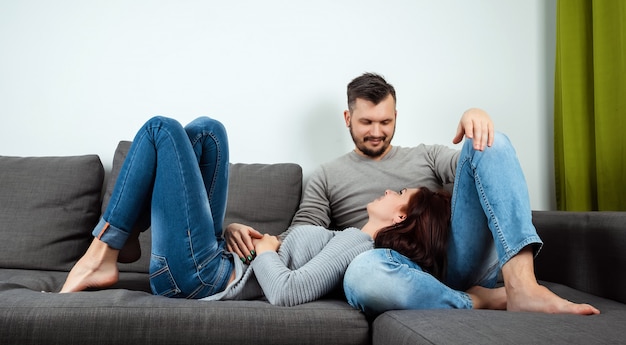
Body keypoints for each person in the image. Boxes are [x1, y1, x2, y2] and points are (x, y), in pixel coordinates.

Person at [226, 72, 600, 316]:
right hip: (390, 267)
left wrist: (475, 116)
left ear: (396, 117)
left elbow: (480, 171)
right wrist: (241, 236)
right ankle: (473, 300)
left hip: (452, 254)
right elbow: (300, 240)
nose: (377, 131)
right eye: (366, 122)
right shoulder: (327, 176)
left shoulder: (426, 156)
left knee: (492, 143)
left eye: (385, 122)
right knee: (362, 272)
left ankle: (523, 286)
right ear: (347, 119)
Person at [60, 115, 473, 307]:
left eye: (398, 191)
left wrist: (267, 253)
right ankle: (123, 234)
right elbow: (279, 258)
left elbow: (287, 291)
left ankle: (102, 251)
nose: (388, 188)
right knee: (209, 133)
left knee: (159, 130)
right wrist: (239, 236)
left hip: (199, 280)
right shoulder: (352, 238)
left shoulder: (359, 246)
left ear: (400, 217)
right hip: (218, 260)